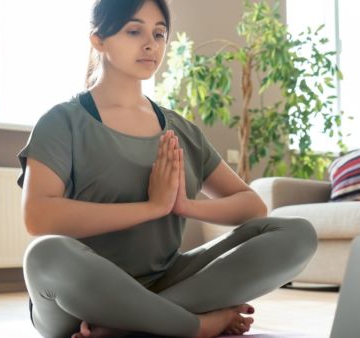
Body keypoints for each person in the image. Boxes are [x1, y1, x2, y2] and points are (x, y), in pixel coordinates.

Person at [17, 0, 317, 337]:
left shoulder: (181, 130)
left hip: (165, 281)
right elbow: (38, 217)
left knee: (296, 233)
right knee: (45, 254)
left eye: (159, 34)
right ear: (98, 40)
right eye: (134, 31)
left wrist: (185, 205)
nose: (150, 44)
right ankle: (195, 326)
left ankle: (125, 330)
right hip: (82, 299)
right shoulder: (62, 122)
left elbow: (252, 206)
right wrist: (150, 208)